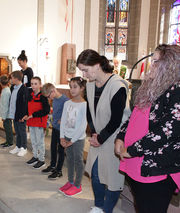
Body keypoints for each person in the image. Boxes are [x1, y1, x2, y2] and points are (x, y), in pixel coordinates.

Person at [115, 44, 180, 213]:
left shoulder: (177, 90)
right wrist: (121, 136)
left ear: (171, 65)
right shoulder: (153, 87)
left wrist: (134, 149)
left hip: (156, 166)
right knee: (141, 206)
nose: (152, 65)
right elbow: (134, 116)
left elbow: (168, 129)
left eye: (157, 62)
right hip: (137, 161)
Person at [77, 49, 131, 213]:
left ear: (97, 65)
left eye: (85, 69)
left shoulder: (118, 85)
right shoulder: (91, 85)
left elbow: (116, 119)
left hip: (115, 137)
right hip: (98, 135)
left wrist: (101, 138)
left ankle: (107, 209)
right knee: (95, 173)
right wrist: (94, 133)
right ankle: (99, 205)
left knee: (113, 177)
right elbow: (89, 111)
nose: (84, 75)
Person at [59, 77, 87, 197]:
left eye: (75, 87)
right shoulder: (67, 103)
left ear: (82, 88)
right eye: (70, 87)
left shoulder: (84, 105)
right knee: (69, 160)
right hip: (67, 136)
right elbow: (63, 120)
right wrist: (62, 137)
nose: (72, 89)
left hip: (78, 138)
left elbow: (83, 125)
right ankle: (70, 181)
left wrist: (73, 140)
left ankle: (77, 185)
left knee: (78, 161)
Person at [41, 83, 69, 179]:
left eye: (49, 96)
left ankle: (59, 170)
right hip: (55, 128)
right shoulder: (55, 100)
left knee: (60, 150)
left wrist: (64, 119)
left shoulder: (65, 100)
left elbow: (70, 114)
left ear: (53, 91)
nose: (49, 98)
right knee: (53, 147)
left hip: (62, 130)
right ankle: (53, 165)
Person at [23, 77, 50, 169]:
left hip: (39, 122)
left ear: (40, 85)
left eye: (35, 84)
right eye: (32, 84)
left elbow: (46, 110)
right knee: (33, 141)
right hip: (31, 122)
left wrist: (33, 115)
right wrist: (26, 115)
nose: (33, 86)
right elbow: (28, 107)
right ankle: (35, 156)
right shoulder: (30, 95)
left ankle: (41, 160)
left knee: (40, 142)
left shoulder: (43, 96)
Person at [8, 71, 29, 157]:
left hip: (21, 115)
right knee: (17, 131)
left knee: (22, 131)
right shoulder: (13, 87)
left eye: (12, 78)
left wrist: (23, 115)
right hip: (14, 113)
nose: (11, 79)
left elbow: (25, 104)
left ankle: (24, 148)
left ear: (16, 79)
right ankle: (18, 146)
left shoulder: (24, 89)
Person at [0, 75, 14, 148]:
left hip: (7, 115)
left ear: (0, 83)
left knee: (8, 129)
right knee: (7, 128)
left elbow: (5, 105)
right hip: (6, 114)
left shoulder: (6, 91)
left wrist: (4, 116)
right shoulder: (6, 90)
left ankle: (10, 142)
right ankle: (7, 141)